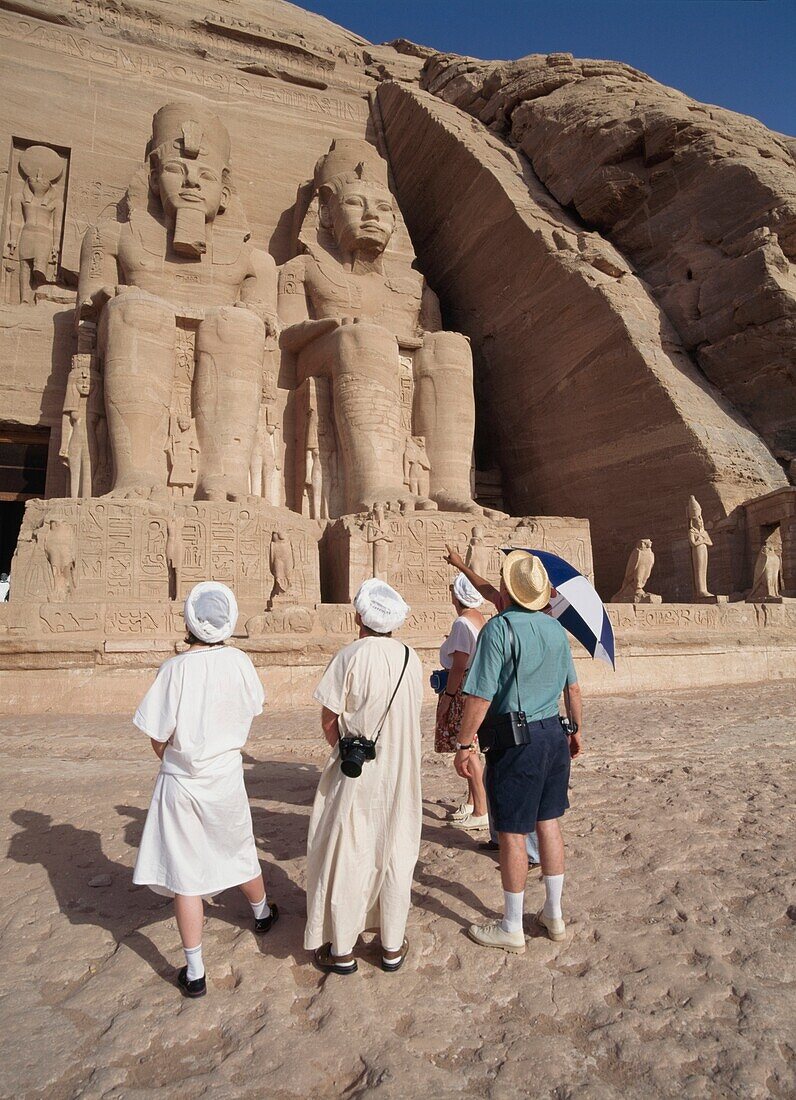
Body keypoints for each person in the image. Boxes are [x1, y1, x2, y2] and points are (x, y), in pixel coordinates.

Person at [132, 581, 278, 998]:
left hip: (181, 781)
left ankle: (195, 970)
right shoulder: (239, 662)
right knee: (239, 847)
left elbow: (157, 737)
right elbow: (251, 709)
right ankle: (262, 913)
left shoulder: (174, 669)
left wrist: (181, 755)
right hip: (227, 774)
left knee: (186, 874)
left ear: (189, 621)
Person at [453, 551, 583, 953]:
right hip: (553, 734)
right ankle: (554, 915)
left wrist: (463, 743)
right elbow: (572, 688)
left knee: (511, 832)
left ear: (509, 590)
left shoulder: (499, 629)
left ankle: (512, 925)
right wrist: (576, 730)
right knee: (548, 823)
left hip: (517, 739)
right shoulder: (555, 629)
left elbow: (479, 693)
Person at [305, 578, 423, 975]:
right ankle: (391, 944)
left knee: (349, 852)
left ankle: (342, 950)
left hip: (357, 773)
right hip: (401, 773)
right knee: (396, 851)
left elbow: (328, 719)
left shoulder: (349, 656)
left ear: (359, 615)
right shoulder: (412, 657)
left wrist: (344, 748)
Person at [444, 545, 544, 865]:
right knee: (495, 777)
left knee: (513, 781)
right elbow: (485, 588)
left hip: (515, 710)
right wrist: (461, 565)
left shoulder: (512, 626)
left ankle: (527, 853)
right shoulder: (521, 612)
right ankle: (499, 836)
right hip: (515, 711)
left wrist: (463, 739)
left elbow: (483, 691)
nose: (497, 586)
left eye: (504, 581)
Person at [435, 572, 488, 830]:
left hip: (462, 689)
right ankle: (471, 801)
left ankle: (481, 809)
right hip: (475, 686)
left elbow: (458, 665)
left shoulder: (461, 624)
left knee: (468, 749)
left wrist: (448, 696)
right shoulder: (480, 619)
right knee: (471, 748)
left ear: (458, 595)